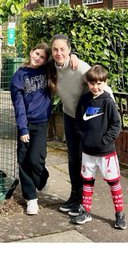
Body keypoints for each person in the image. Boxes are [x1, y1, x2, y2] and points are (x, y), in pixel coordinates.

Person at [50, 33, 111, 217]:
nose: (59, 53)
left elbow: (102, 87)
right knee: (72, 158)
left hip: (85, 119)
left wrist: (110, 113)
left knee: (84, 160)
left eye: (63, 49)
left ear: (69, 49)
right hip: (69, 115)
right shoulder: (51, 68)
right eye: (55, 49)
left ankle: (83, 202)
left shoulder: (80, 68)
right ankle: (74, 196)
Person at [69, 64, 126, 231]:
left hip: (106, 153)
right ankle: (85, 211)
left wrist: (104, 141)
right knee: (87, 182)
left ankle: (120, 214)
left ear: (105, 82)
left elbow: (116, 125)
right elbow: (78, 122)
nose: (95, 87)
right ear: (88, 83)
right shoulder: (84, 100)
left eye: (99, 83)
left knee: (114, 183)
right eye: (92, 83)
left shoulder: (108, 101)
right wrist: (84, 138)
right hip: (88, 152)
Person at [9, 42, 55, 215]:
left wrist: (72, 57)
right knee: (23, 160)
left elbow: (62, 60)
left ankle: (42, 177)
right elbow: (18, 105)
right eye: (37, 54)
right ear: (31, 52)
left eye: (42, 57)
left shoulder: (47, 71)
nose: (38, 58)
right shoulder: (19, 76)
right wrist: (22, 128)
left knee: (36, 158)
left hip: (42, 122)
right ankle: (31, 199)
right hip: (26, 123)